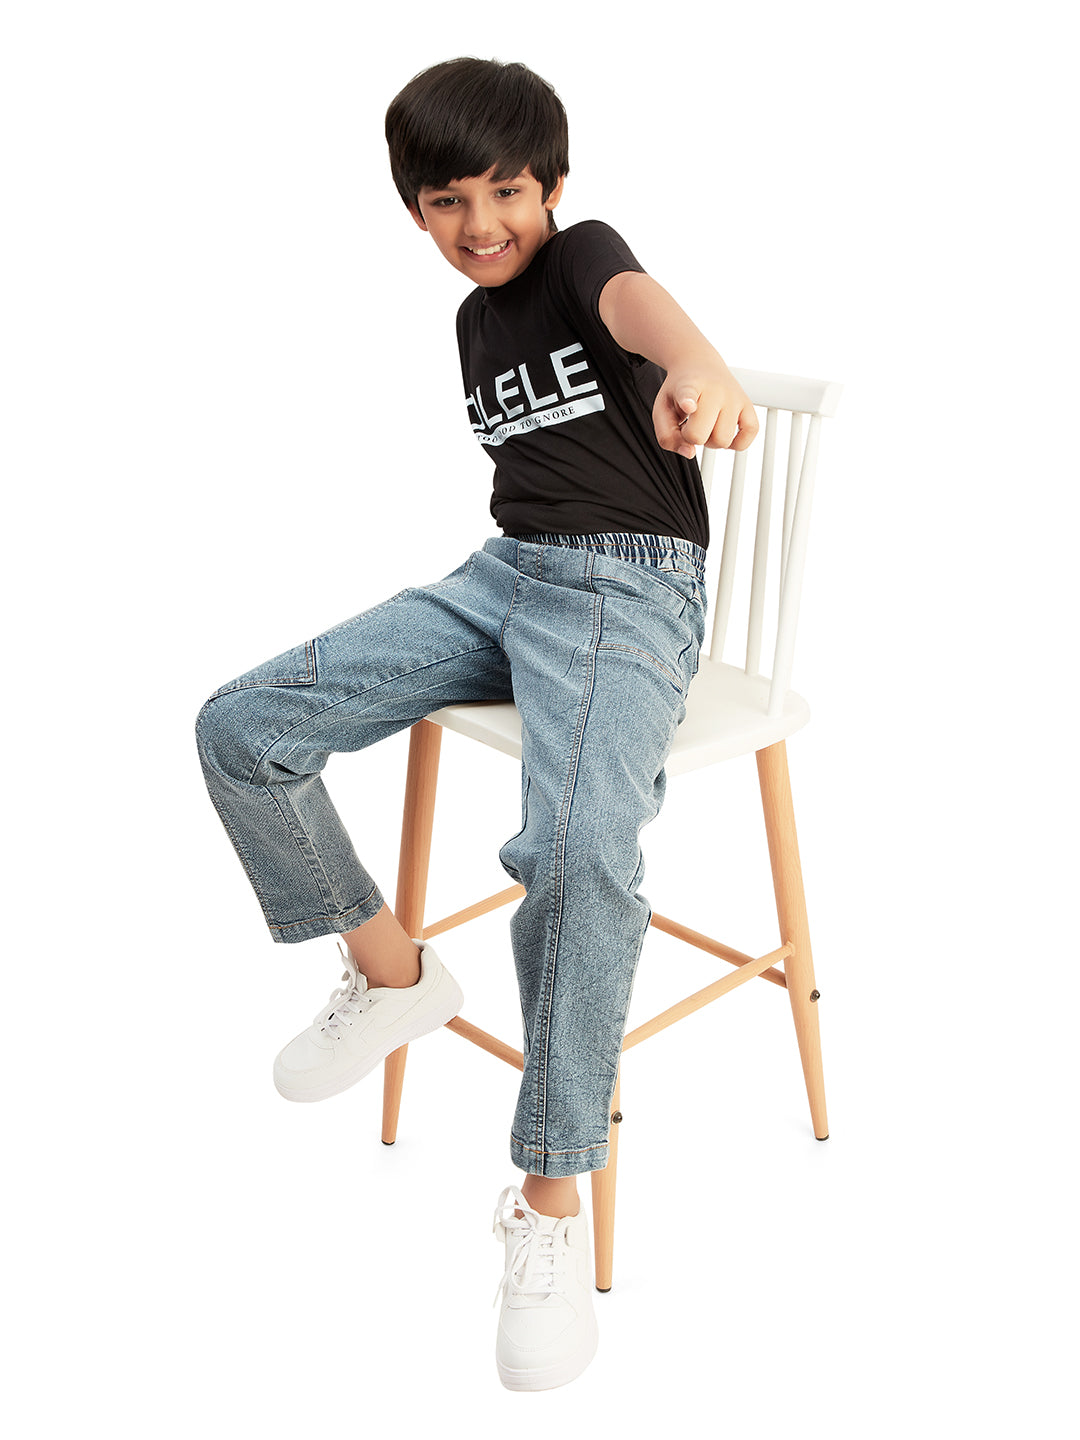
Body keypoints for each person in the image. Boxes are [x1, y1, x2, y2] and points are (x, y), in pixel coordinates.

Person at [196, 56, 758, 1391]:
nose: (481, 222)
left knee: (575, 854)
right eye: (447, 201)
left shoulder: (583, 259)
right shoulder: (472, 322)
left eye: (506, 191)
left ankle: (550, 1200)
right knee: (241, 725)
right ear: (415, 212)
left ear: (552, 188)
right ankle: (395, 975)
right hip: (503, 579)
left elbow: (646, 310)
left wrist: (700, 366)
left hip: (628, 591)